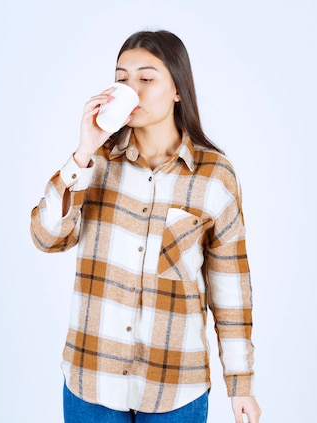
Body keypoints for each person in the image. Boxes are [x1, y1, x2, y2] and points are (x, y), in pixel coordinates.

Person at [30, 30, 261, 423]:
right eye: (122, 79)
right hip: (92, 381)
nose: (131, 89)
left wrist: (240, 384)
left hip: (176, 387)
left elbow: (229, 287)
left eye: (146, 78)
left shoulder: (214, 176)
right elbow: (46, 237)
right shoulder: (96, 162)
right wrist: (83, 152)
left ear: (177, 89)